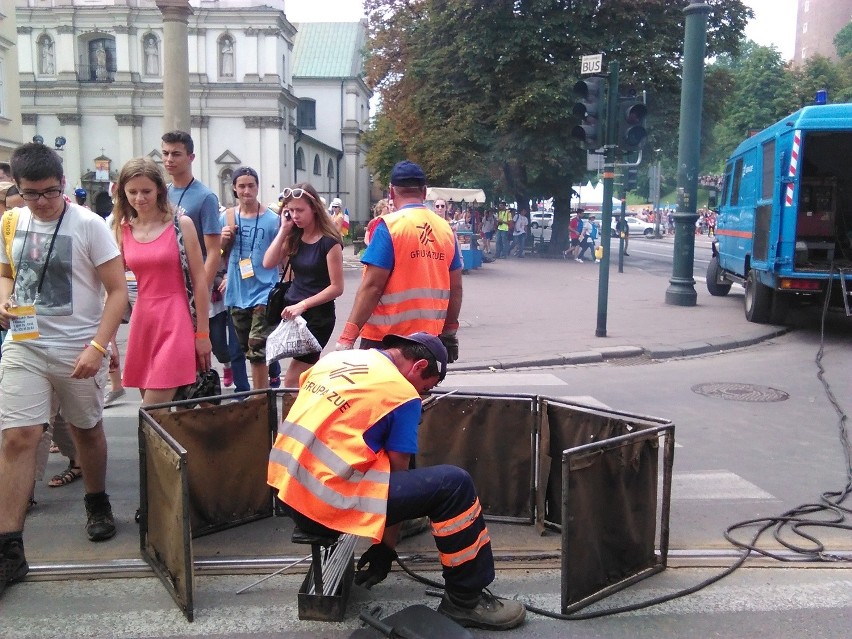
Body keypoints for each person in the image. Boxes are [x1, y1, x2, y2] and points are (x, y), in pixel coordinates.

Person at [267, 332, 526, 631]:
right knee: (455, 485)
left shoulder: (337, 359)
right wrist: (385, 548)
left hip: (286, 489)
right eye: (425, 388)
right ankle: (465, 601)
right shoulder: (401, 394)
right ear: (417, 368)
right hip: (324, 505)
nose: (422, 395)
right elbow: (396, 474)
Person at [0, 142, 129, 596]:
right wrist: (2, 297)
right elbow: (7, 273)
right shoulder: (12, 221)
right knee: (19, 436)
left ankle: (96, 501)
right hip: (25, 345)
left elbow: (118, 293)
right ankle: (9, 549)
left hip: (78, 348)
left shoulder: (90, 226)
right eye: (31, 193)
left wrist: (98, 346)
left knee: (86, 430)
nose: (41, 202)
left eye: (50, 192)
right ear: (18, 187)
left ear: (63, 183)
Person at [334, 160, 462, 364]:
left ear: (392, 192)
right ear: (424, 191)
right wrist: (449, 332)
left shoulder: (389, 227)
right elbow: (455, 288)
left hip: (385, 342)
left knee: (379, 395)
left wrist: (347, 338)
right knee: (415, 395)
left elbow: (372, 287)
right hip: (428, 341)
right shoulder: (445, 230)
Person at [112, 157, 211, 405]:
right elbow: (114, 288)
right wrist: (107, 339)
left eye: (146, 191)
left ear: (159, 189)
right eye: (132, 192)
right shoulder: (123, 229)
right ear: (123, 193)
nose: (140, 198)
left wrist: (203, 334)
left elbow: (199, 281)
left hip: (176, 320)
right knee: (162, 420)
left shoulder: (180, 224)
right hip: (143, 320)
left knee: (152, 411)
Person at [261, 183, 343, 387]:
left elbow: (337, 287)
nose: (295, 215)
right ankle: (308, 415)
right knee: (304, 378)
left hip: (317, 318)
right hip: (293, 315)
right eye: (290, 211)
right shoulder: (294, 236)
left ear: (314, 208)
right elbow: (268, 263)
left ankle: (290, 419)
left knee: (291, 380)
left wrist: (303, 305)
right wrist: (284, 230)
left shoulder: (329, 242)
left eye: (300, 210)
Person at [220, 167, 279, 391]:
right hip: (237, 292)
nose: (247, 191)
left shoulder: (272, 220)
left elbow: (282, 255)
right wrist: (224, 242)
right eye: (242, 186)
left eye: (251, 185)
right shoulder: (226, 217)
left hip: (265, 291)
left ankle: (259, 400)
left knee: (257, 349)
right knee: (248, 350)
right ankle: (261, 393)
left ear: (257, 187)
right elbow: (218, 257)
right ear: (234, 188)